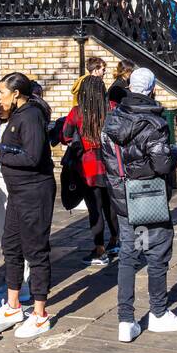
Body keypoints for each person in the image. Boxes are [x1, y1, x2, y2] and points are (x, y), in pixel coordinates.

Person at [101, 66, 177, 341]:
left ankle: (125, 320)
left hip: (122, 197)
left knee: (128, 256)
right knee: (157, 253)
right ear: (152, 89)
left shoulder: (111, 120)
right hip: (149, 197)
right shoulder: (155, 123)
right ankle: (159, 313)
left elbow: (110, 162)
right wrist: (174, 155)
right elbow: (161, 164)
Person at [0, 73, 57, 339]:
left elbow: (33, 156)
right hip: (16, 192)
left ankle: (39, 313)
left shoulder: (31, 115)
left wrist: (0, 155)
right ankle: (13, 306)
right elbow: (16, 147)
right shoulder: (16, 115)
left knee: (35, 251)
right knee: (11, 246)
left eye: (1, 92)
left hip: (34, 192)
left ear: (16, 93)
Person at [61, 75, 119, 266]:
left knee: (95, 209)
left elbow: (66, 136)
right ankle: (115, 241)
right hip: (111, 166)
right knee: (111, 206)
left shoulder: (77, 112)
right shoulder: (111, 108)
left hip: (87, 168)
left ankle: (99, 249)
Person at [0, 94, 30, 304]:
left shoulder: (18, 123)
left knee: (16, 236)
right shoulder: (2, 124)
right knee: (6, 237)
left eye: (0, 100)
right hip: (0, 182)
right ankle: (13, 281)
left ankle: (23, 285)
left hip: (11, 183)